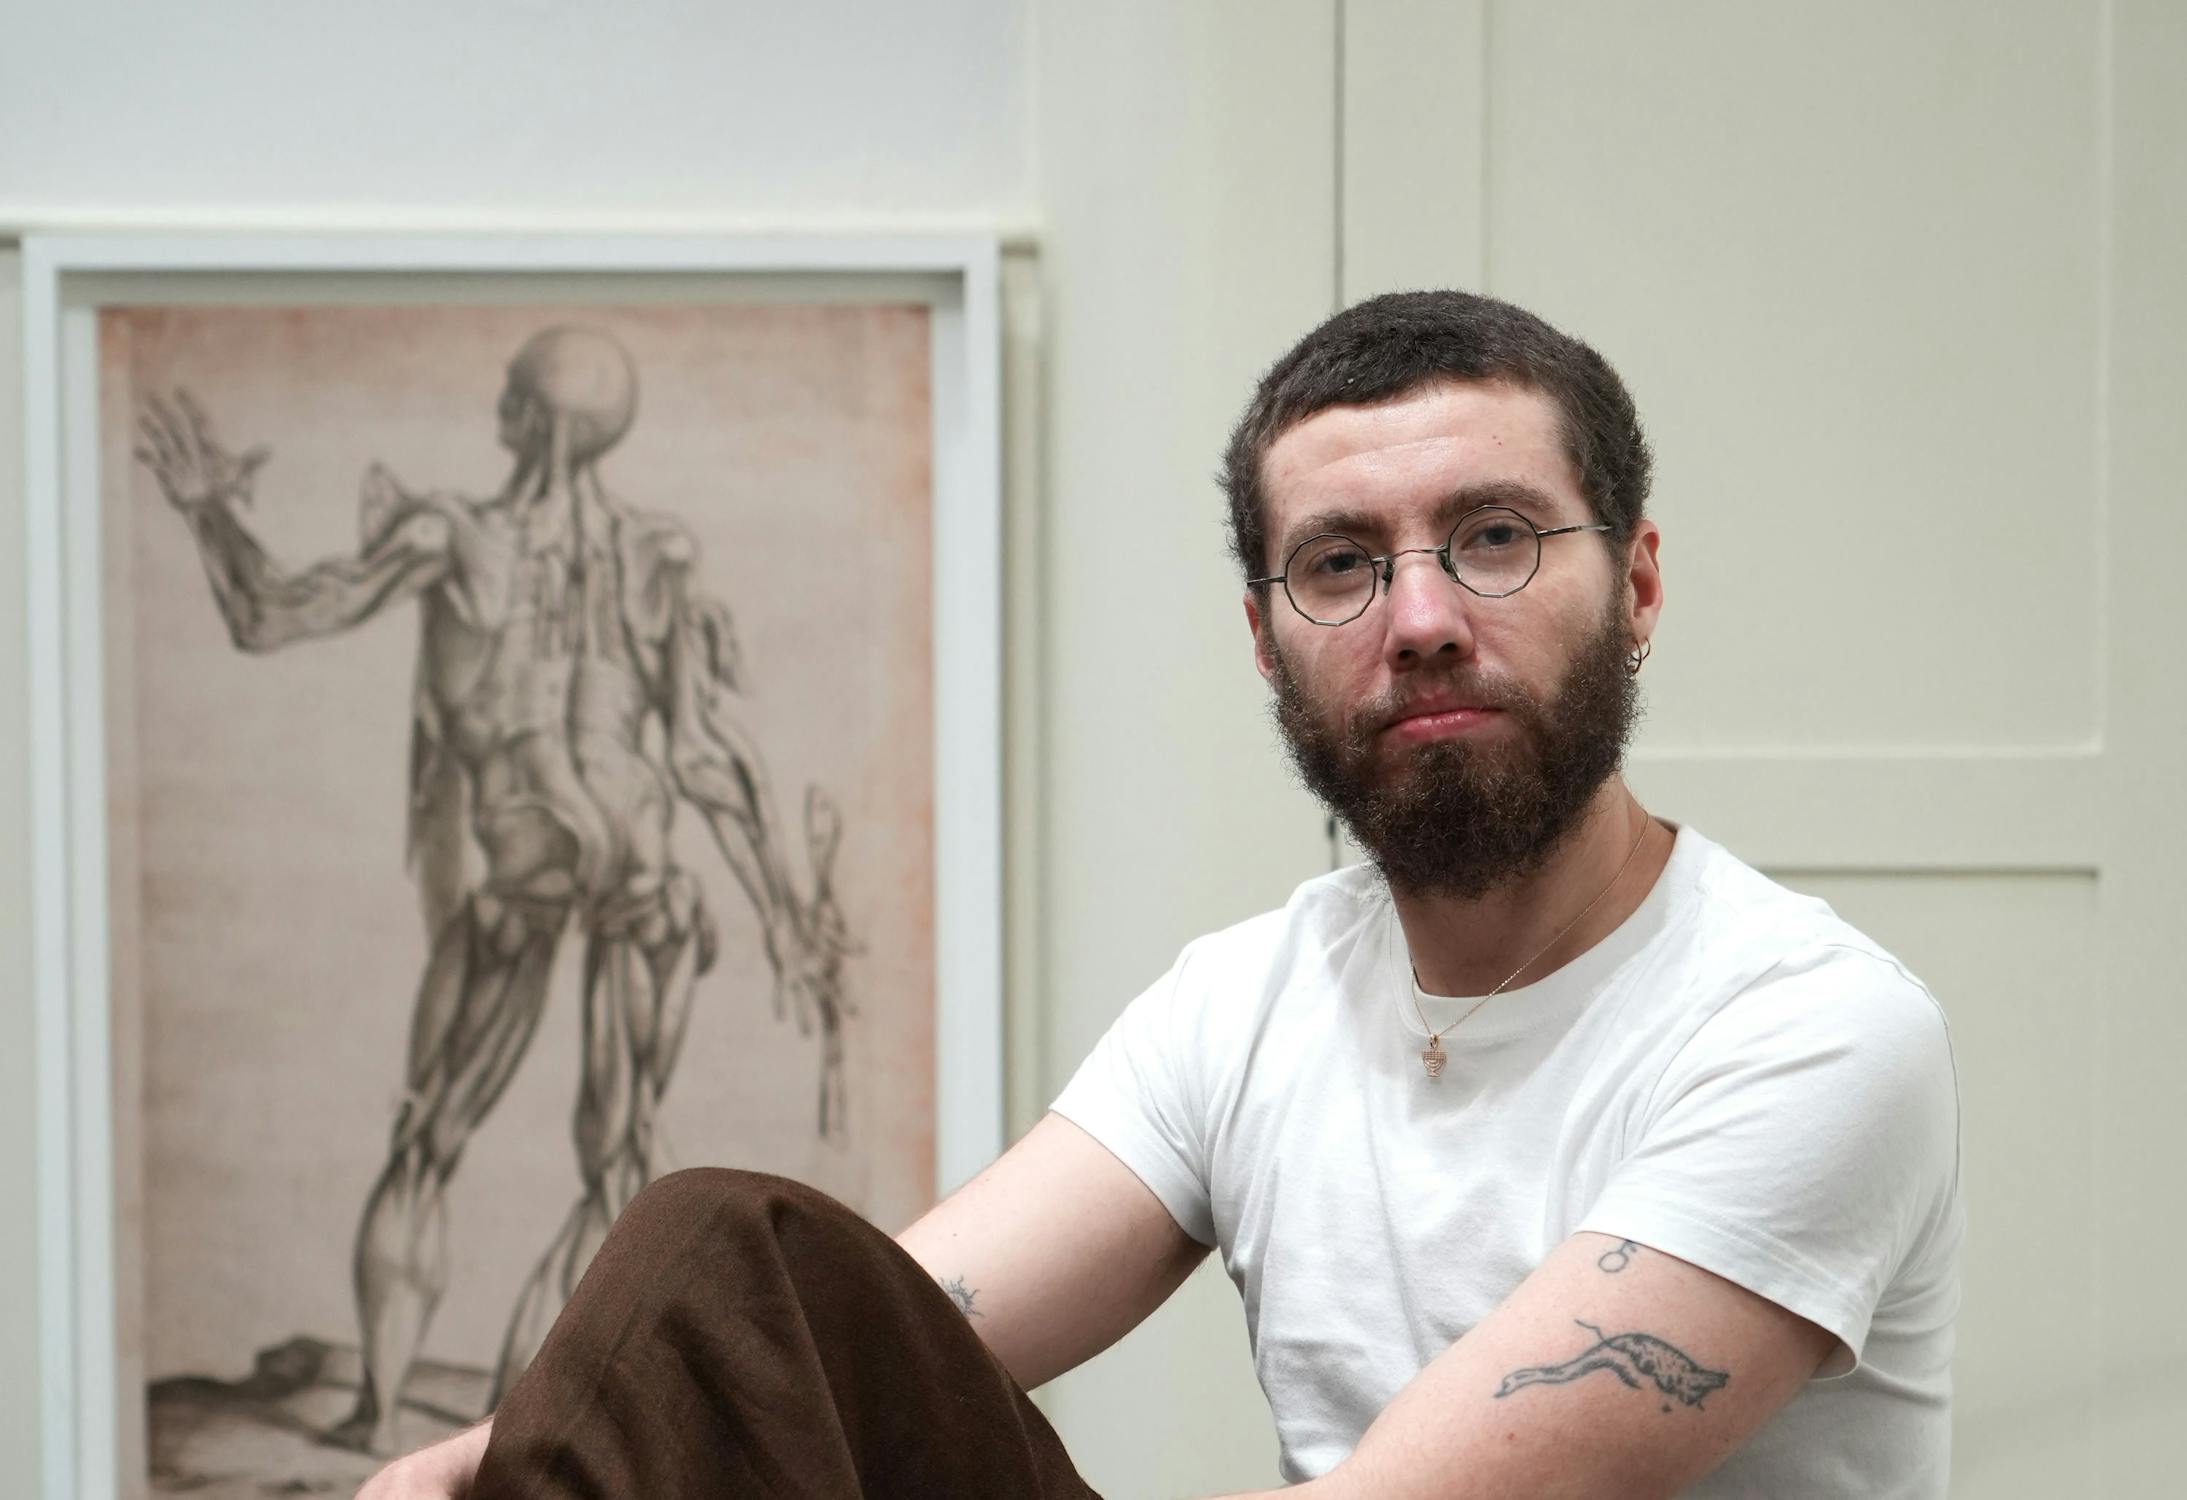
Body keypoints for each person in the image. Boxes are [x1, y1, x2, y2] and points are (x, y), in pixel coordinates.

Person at [357, 290, 1962, 1499]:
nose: (1416, 619)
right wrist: (482, 1464)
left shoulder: (1809, 1030)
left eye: (1489, 538)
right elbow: (847, 1332)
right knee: (722, 1254)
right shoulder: (1248, 1000)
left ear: (1638, 588)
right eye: (1339, 563)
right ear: (1266, 641)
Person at [137, 326, 852, 1456]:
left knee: (440, 1143)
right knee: (616, 1167)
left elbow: (268, 613)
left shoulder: (453, 536)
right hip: (641, 881)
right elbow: (712, 758)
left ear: (527, 416)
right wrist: (784, 911)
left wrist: (207, 509)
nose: (499, 418)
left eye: (511, 400)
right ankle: (527, 1423)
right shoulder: (649, 556)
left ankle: (405, 1422)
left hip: (540, 880)